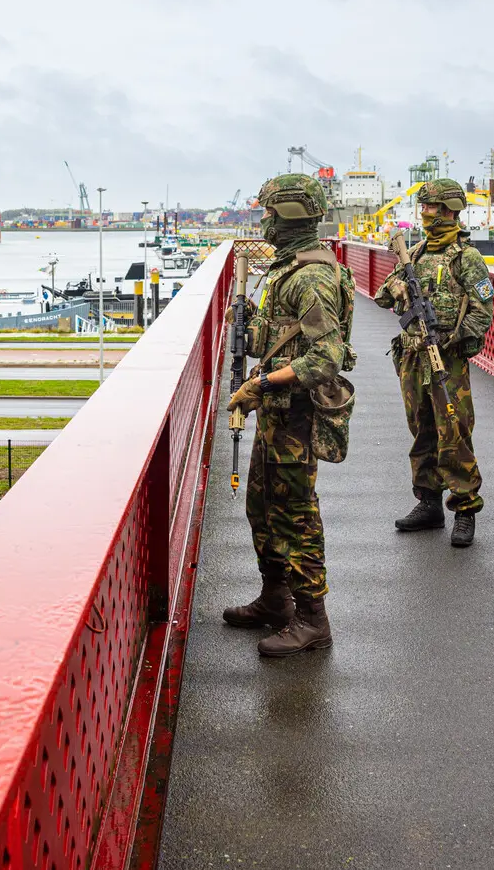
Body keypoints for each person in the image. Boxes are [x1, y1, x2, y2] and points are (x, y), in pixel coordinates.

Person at [224, 173, 356, 657]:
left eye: (269, 213)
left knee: (296, 513)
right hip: (276, 412)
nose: (264, 222)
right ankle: (275, 599)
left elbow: (325, 359)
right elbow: (278, 339)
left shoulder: (311, 277)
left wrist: (261, 383)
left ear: (288, 215)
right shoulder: (287, 270)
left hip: (297, 415)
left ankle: (312, 619)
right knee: (262, 506)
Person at [372, 179, 493, 546]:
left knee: (454, 432)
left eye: (433, 207)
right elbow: (381, 295)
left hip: (447, 360)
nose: (425, 213)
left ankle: (465, 508)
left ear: (451, 210)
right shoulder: (417, 252)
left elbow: (482, 312)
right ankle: (428, 503)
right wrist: (396, 289)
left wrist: (449, 338)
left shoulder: (466, 258)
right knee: (421, 429)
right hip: (411, 357)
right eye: (423, 207)